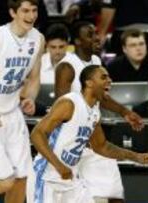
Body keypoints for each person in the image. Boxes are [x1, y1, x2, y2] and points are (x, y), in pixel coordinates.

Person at [30, 65, 148, 203]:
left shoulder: (94, 112)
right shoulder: (69, 103)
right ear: (89, 83)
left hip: (69, 178)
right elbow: (37, 134)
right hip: (46, 176)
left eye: (108, 77)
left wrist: (135, 156)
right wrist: (59, 166)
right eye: (103, 77)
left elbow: (101, 147)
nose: (109, 80)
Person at [54, 21, 143, 203]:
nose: (96, 38)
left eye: (96, 33)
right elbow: (61, 106)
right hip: (72, 141)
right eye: (89, 35)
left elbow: (102, 97)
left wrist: (125, 112)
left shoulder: (95, 61)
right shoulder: (67, 66)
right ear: (77, 41)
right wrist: (80, 134)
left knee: (114, 193)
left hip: (94, 138)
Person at [0, 0, 44, 202]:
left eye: (34, 10)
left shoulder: (38, 39)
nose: (31, 15)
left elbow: (34, 78)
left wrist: (30, 98)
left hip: (13, 112)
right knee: (5, 181)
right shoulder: (0, 37)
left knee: (22, 179)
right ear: (12, 12)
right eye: (25, 11)